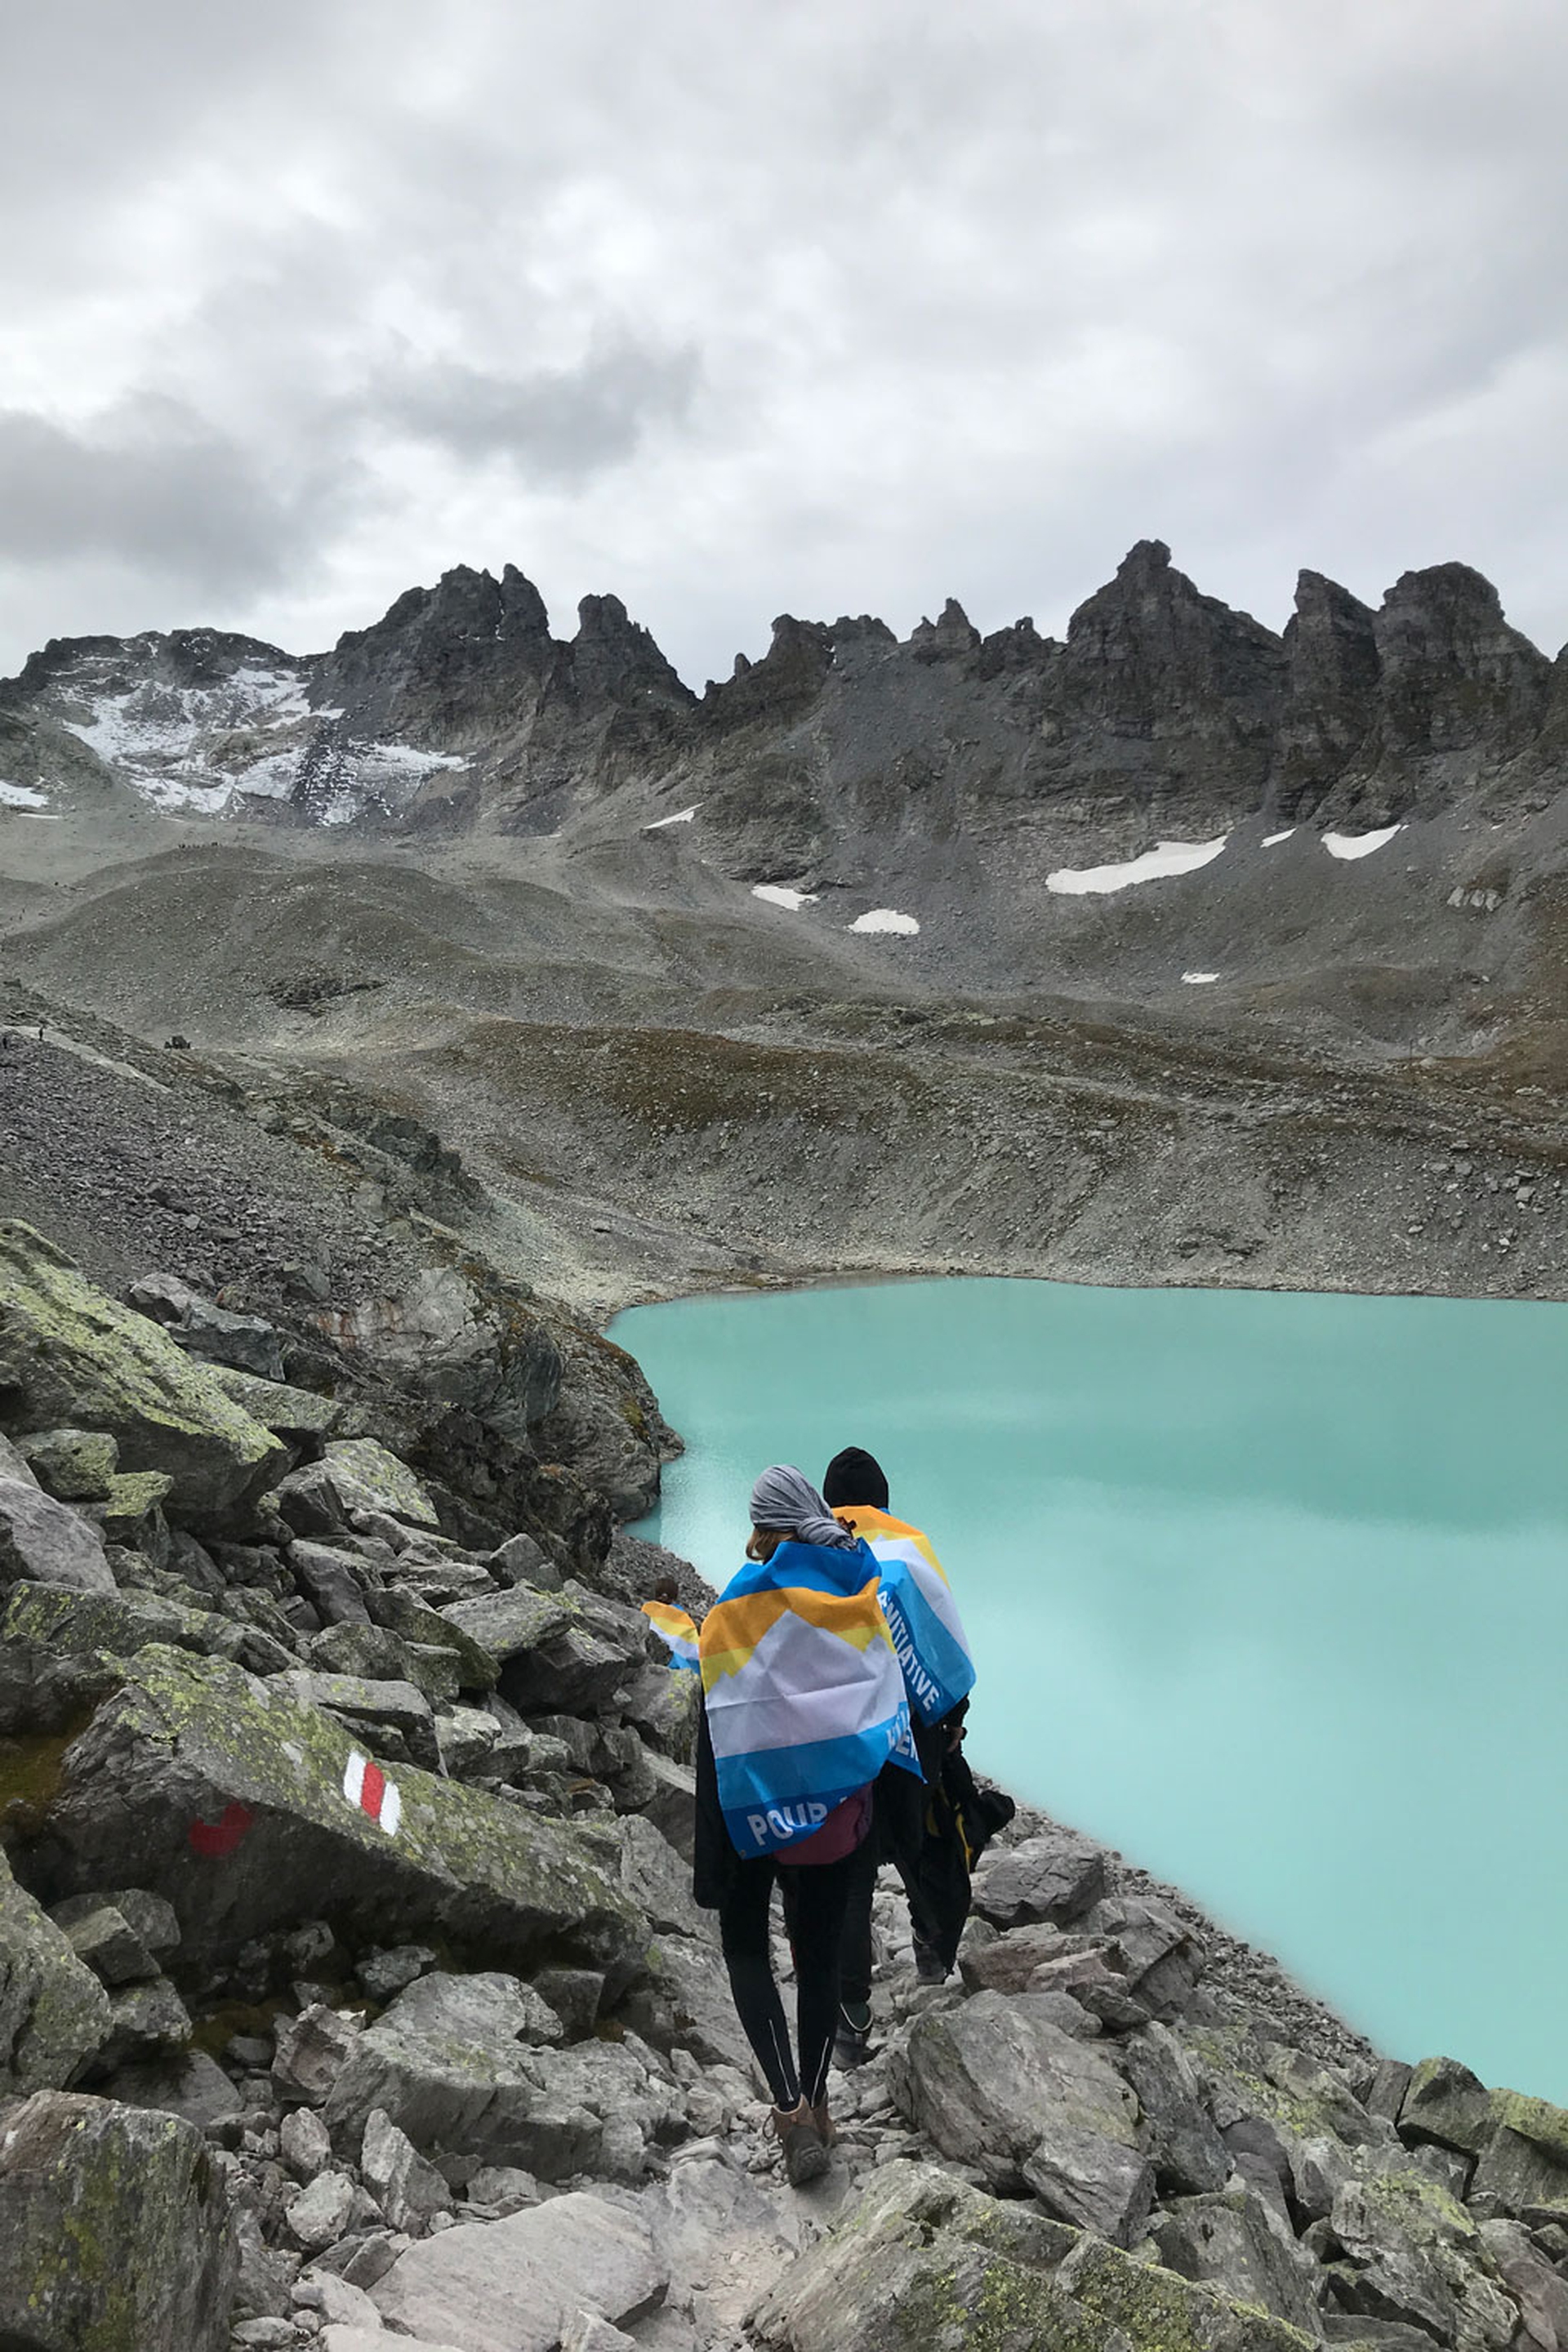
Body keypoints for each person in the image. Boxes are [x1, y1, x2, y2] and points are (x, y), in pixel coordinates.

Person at [694, 1464, 917, 2185]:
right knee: (818, 1957)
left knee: (745, 1945)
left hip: (750, 1801)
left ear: (762, 1527)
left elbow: (720, 1711)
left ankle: (789, 2109)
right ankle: (820, 2102)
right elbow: (885, 1695)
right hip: (836, 1804)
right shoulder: (861, 1587)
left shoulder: (735, 1607)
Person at [821, 1445, 1011, 2065]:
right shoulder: (906, 1549)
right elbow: (942, 1640)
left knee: (848, 1875)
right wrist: (953, 1723)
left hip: (839, 1735)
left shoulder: (811, 1550)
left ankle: (850, 2023)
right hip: (911, 1737)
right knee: (925, 1843)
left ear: (829, 1502)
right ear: (883, 1498)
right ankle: (932, 1949)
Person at [640, 1574, 700, 1670]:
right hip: (673, 1658)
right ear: (674, 1596)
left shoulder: (648, 1607)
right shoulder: (681, 1615)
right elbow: (690, 1638)